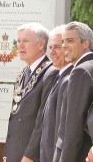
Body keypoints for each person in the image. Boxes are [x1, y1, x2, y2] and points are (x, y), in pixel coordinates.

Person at [3, 22, 53, 162]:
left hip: (32, 156)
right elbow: (13, 117)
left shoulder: (50, 73)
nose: (20, 45)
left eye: (26, 41)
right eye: (19, 41)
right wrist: (7, 152)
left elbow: (43, 120)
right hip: (15, 151)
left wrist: (30, 155)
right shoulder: (24, 74)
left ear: (41, 44)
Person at [53, 21, 93, 162]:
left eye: (70, 41)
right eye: (63, 42)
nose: (64, 46)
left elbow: (73, 128)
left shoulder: (80, 71)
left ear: (85, 44)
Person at [39, 25, 72, 162]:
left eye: (57, 47)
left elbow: (62, 131)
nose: (52, 52)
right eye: (50, 48)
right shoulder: (57, 76)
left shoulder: (70, 79)